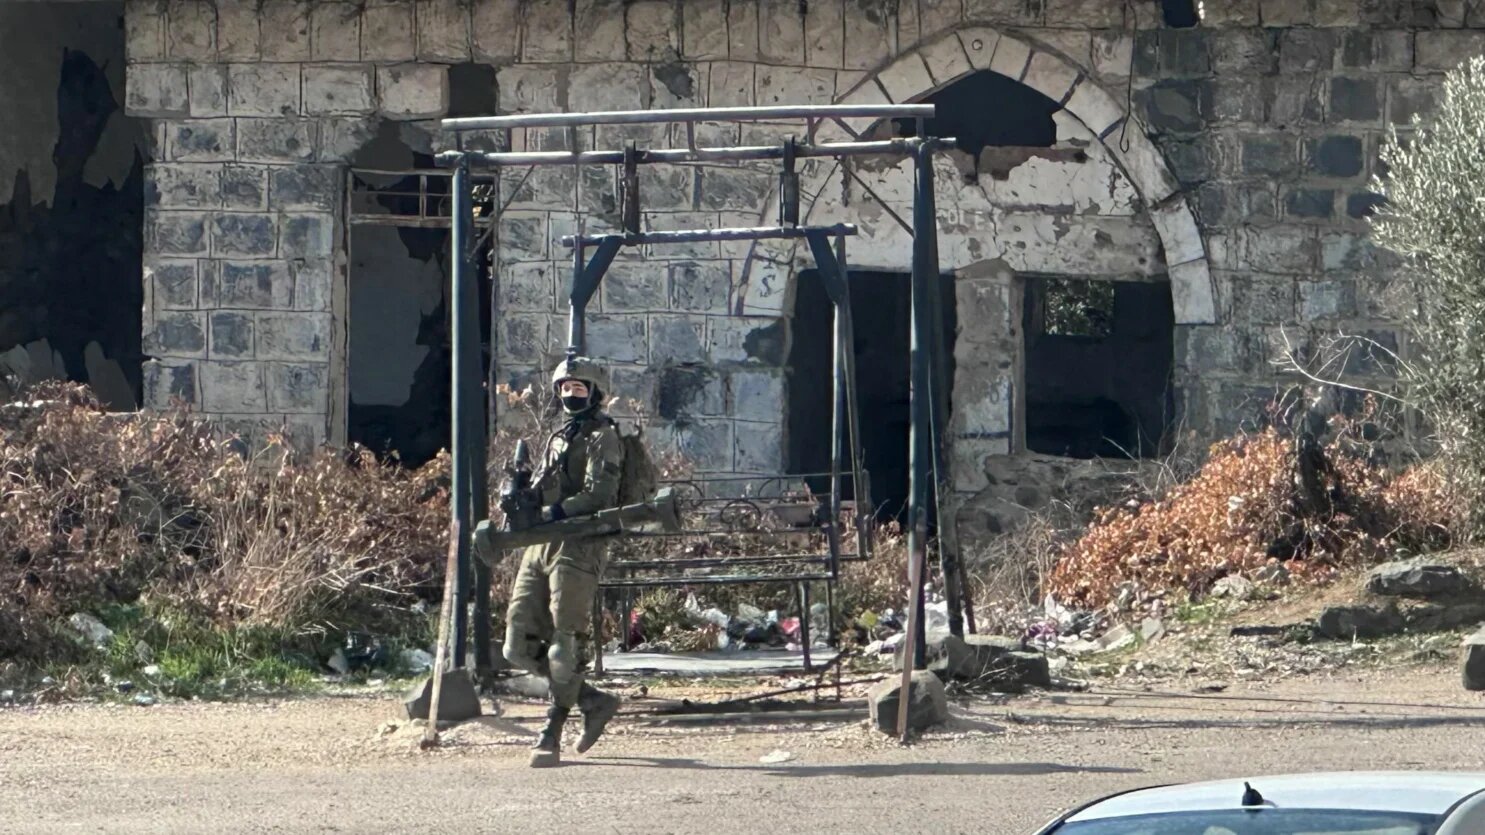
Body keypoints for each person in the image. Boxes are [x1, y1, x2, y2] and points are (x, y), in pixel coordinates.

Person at [502, 355, 623, 768]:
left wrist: (554, 512)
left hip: (579, 543)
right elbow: (543, 484)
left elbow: (598, 495)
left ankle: (551, 731)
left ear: (595, 393)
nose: (571, 395)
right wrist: (523, 498)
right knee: (516, 646)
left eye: (579, 389)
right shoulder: (559, 435)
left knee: (564, 646)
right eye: (566, 389)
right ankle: (593, 701)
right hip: (541, 544)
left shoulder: (602, 436)